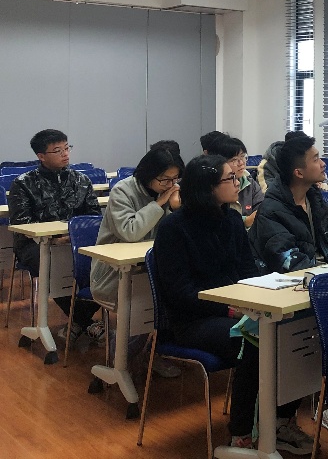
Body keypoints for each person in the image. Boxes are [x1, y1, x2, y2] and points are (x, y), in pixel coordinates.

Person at [153, 155, 312, 453]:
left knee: (295, 333)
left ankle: (281, 421)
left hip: (236, 311)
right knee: (255, 343)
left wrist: (261, 295)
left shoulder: (231, 220)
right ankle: (241, 434)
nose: (238, 182)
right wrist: (228, 308)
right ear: (208, 187)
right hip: (193, 321)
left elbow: (247, 272)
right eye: (230, 178)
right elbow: (179, 293)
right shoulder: (173, 228)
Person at [90, 142, 184, 378]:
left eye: (175, 179)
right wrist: (159, 204)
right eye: (164, 179)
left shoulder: (172, 192)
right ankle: (121, 361)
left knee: (180, 297)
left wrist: (177, 209)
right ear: (148, 173)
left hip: (152, 269)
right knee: (150, 305)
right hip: (114, 273)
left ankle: (152, 354)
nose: (170, 185)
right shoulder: (123, 191)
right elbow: (130, 232)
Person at [7, 129, 104, 345]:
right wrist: (54, 240)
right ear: (41, 156)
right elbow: (22, 225)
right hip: (35, 245)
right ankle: (84, 321)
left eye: (67, 148)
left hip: (73, 243)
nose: (65, 154)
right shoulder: (23, 184)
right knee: (56, 264)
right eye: (58, 150)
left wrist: (75, 237)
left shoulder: (81, 180)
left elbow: (93, 217)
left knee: (106, 265)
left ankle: (78, 322)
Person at [249, 133, 328, 274]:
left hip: (327, 275)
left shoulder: (316, 201)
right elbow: (290, 262)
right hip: (298, 280)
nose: (323, 164)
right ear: (299, 173)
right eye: (316, 160)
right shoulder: (271, 211)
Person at [211, 137, 263, 229]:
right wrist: (245, 221)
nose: (241, 163)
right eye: (234, 160)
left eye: (243, 157)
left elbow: (262, 210)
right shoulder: (218, 186)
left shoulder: (249, 182)